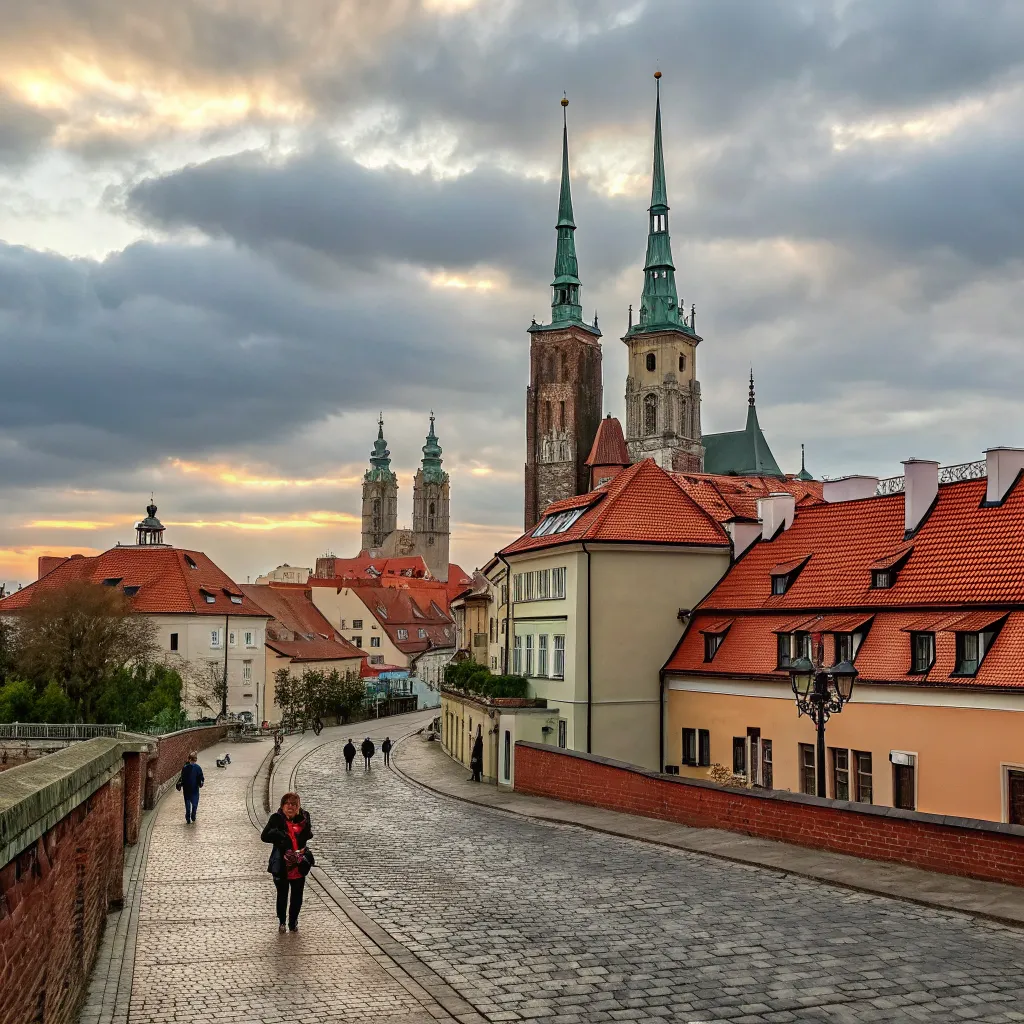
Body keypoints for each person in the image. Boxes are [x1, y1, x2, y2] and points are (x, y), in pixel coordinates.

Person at [261, 791, 313, 933]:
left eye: (294, 804)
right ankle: (282, 921)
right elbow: (264, 836)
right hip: (282, 864)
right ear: (282, 806)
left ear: (298, 806)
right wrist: (280, 835)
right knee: (282, 895)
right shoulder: (276, 819)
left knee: (297, 896)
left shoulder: (304, 818)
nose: (290, 806)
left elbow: (308, 835)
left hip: (298, 864)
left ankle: (293, 921)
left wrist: (302, 849)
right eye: (287, 804)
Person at [176, 751, 204, 823]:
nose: (193, 762)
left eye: (194, 760)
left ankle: (193, 815)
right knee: (189, 806)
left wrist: (201, 782)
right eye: (192, 760)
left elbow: (201, 777)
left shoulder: (197, 768)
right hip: (188, 790)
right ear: (189, 760)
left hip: (193, 789)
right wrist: (180, 784)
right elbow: (182, 778)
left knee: (194, 805)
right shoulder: (186, 768)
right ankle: (188, 817)